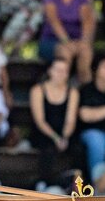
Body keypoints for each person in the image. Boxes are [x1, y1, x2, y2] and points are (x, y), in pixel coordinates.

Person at [39, 0, 95, 83]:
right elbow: (53, 18)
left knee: (86, 51)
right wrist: (66, 41)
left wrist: (84, 40)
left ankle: (84, 89)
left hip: (77, 39)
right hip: (52, 39)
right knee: (65, 52)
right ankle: (62, 89)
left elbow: (87, 18)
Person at [29, 57, 79, 188]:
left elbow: (70, 120)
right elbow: (40, 120)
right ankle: (44, 184)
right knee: (47, 148)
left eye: (64, 71)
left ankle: (74, 186)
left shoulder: (72, 92)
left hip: (65, 132)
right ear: (50, 71)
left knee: (78, 149)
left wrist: (64, 137)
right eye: (58, 70)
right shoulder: (37, 90)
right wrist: (56, 138)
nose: (61, 74)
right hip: (43, 132)